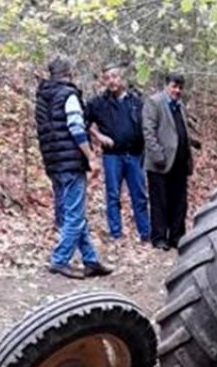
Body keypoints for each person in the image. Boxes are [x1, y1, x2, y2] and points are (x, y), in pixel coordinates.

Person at [34, 56, 112, 279]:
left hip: (53, 162)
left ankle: (91, 260)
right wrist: (90, 157)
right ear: (68, 72)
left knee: (71, 212)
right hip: (70, 162)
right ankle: (60, 260)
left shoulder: (42, 97)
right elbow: (76, 127)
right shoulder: (68, 95)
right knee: (75, 215)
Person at [86, 64, 150, 243]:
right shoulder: (98, 103)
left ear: (122, 77)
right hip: (112, 156)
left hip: (135, 154)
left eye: (114, 77)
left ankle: (145, 233)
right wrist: (99, 136)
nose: (111, 81)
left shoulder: (136, 101)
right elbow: (85, 122)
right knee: (113, 195)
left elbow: (149, 125)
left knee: (139, 195)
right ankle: (116, 234)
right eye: (107, 78)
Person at [142, 72, 200, 251]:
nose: (177, 91)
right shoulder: (154, 102)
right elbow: (148, 131)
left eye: (180, 87)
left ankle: (177, 236)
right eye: (174, 86)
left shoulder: (180, 105)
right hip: (160, 163)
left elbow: (180, 131)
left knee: (179, 201)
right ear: (166, 85)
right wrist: (158, 155)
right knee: (160, 201)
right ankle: (159, 238)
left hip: (179, 162)